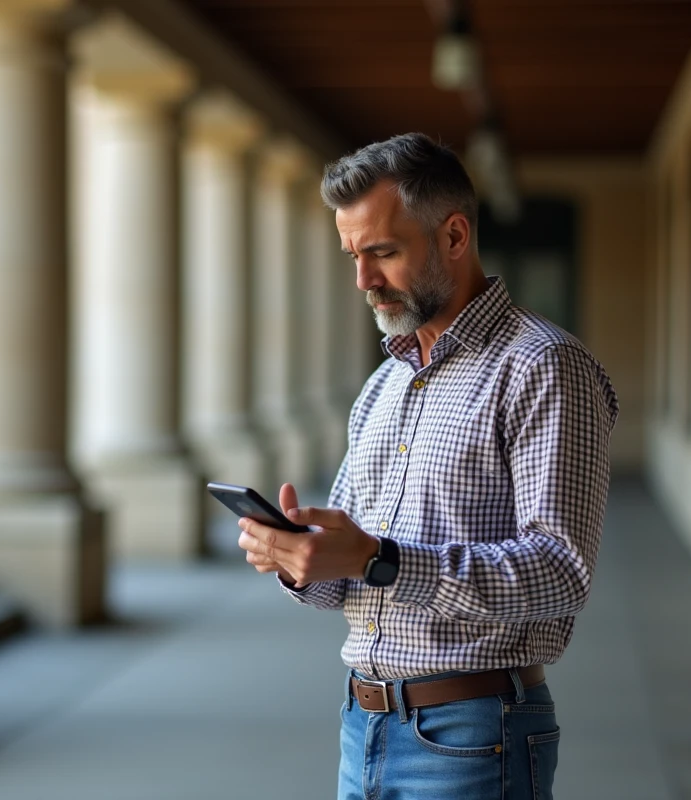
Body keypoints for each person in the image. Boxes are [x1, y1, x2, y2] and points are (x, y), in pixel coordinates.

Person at [237, 132, 618, 800]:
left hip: (474, 735)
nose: (363, 280)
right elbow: (350, 579)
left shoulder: (543, 366)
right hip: (362, 727)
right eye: (353, 256)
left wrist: (379, 560)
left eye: (383, 252)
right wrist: (301, 558)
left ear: (454, 236)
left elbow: (561, 573)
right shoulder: (382, 386)